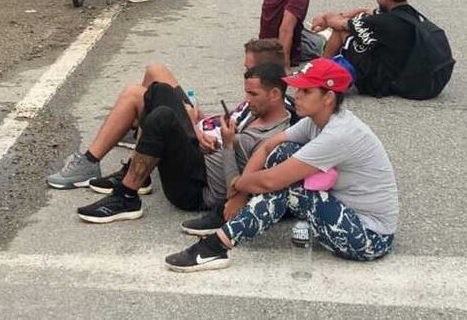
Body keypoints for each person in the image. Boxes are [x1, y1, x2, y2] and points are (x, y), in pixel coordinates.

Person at [164, 58, 398, 272]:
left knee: (290, 191)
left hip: (369, 238)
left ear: (328, 98)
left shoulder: (339, 134)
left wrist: (237, 184)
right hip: (343, 213)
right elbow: (268, 147)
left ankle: (216, 246)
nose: (297, 95)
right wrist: (239, 195)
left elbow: (271, 181)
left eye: (306, 91)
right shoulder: (317, 121)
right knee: (283, 152)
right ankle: (227, 223)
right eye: (298, 89)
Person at [44, 38, 289, 195]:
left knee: (137, 95)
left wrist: (195, 128)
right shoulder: (257, 98)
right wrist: (202, 118)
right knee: (156, 71)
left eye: (248, 69)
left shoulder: (271, 109)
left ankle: (98, 161)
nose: (244, 72)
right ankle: (140, 138)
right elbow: (230, 123)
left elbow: (234, 150)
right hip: (203, 128)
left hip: (200, 151)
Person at [68, 63, 292, 224]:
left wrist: (227, 145)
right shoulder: (256, 111)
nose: (247, 99)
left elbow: (237, 187)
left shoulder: (273, 138)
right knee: (160, 90)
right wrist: (198, 127)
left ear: (274, 94)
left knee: (162, 117)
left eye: (253, 94)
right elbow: (225, 129)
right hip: (200, 156)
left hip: (198, 190)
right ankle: (137, 173)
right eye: (246, 93)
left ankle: (125, 197)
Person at [312, 0, 423, 98]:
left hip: (379, 84)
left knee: (341, 32)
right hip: (401, 74)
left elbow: (338, 24)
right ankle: (322, 70)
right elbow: (368, 12)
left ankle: (319, 72)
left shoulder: (381, 22)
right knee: (354, 26)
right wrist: (356, 12)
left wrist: (325, 18)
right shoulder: (410, 14)